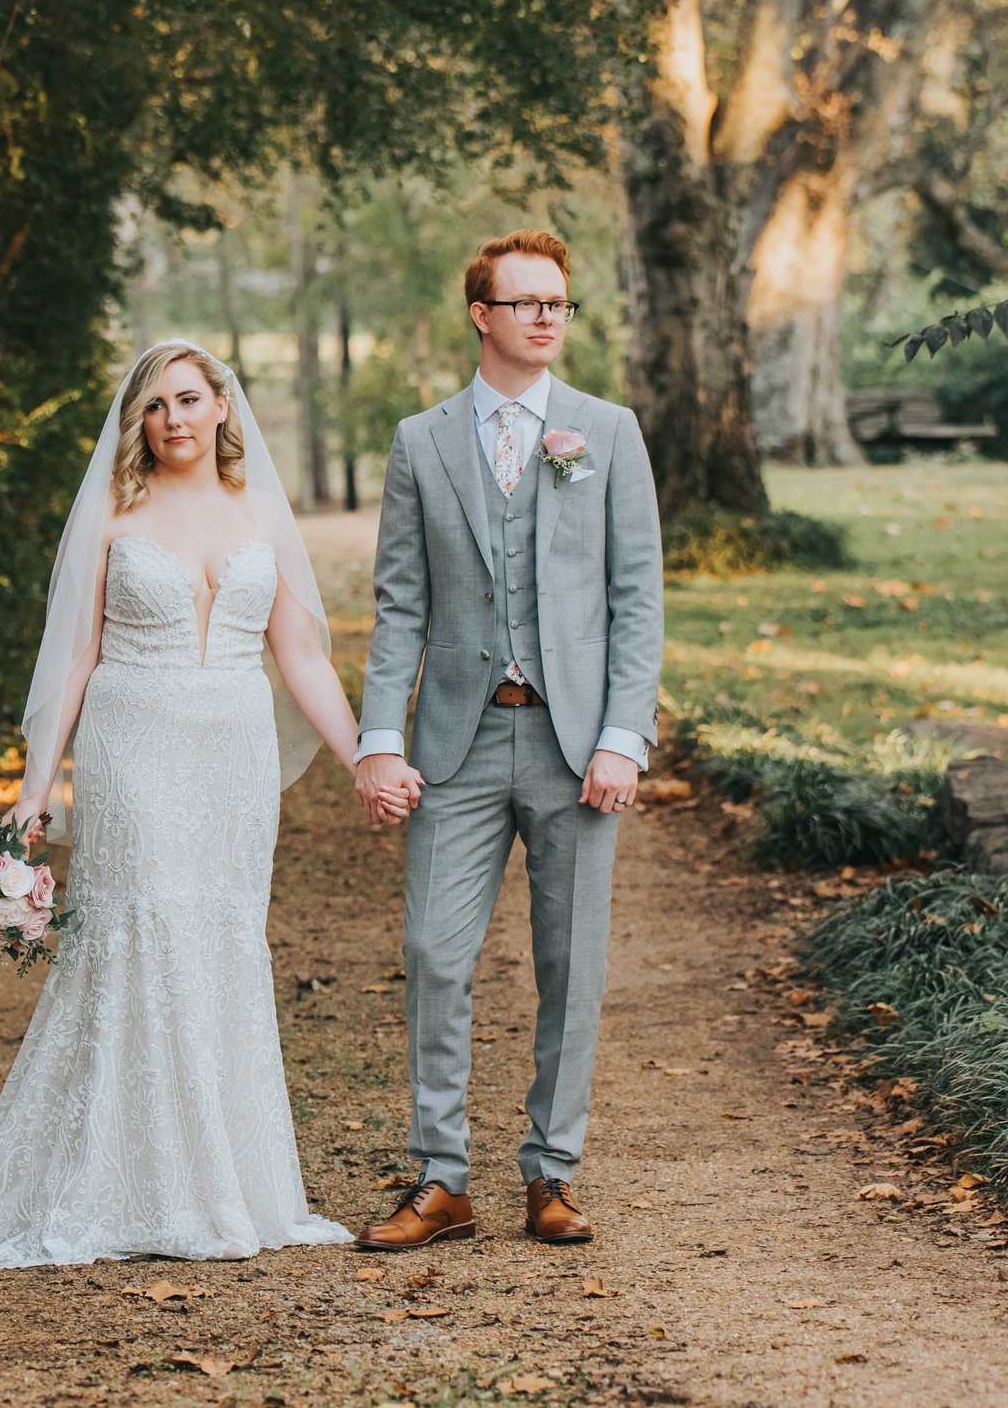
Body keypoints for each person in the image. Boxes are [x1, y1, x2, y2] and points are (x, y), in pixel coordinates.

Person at [0, 340, 396, 1266]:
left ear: (225, 407)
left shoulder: (264, 512)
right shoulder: (114, 516)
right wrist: (37, 789)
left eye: (191, 399)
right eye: (155, 407)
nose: (175, 420)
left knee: (222, 934)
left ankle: (226, 1183)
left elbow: (303, 656)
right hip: (136, 743)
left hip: (231, 752)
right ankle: (123, 1183)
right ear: (138, 423)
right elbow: (73, 657)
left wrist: (362, 753)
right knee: (144, 931)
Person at [350, 229, 663, 1252]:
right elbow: (399, 606)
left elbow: (636, 600)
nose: (545, 318)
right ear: (481, 315)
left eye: (558, 304)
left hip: (577, 748)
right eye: (525, 302)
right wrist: (378, 741)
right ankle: (441, 1178)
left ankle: (552, 1173)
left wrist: (623, 735)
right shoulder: (419, 441)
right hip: (458, 742)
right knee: (434, 953)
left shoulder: (606, 432)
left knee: (571, 966)